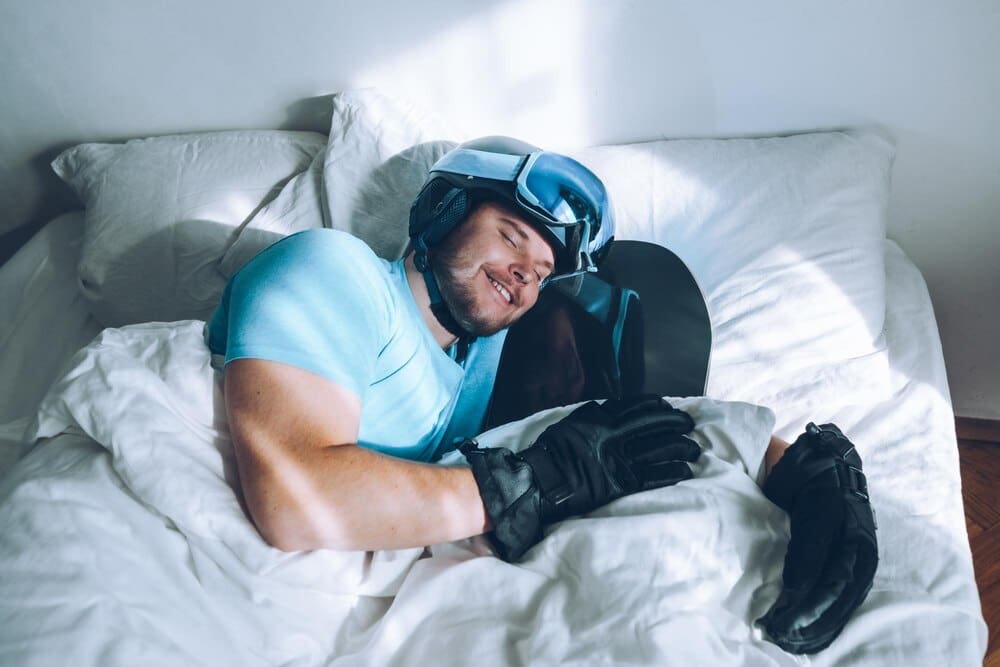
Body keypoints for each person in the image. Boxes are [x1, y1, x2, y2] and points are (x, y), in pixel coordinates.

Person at [206, 137, 877, 654]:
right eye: (511, 237)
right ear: (444, 213)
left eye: (541, 270)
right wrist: (525, 484)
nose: (524, 275)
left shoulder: (479, 368)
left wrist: (805, 472)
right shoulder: (335, 268)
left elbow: (640, 428)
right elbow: (293, 500)